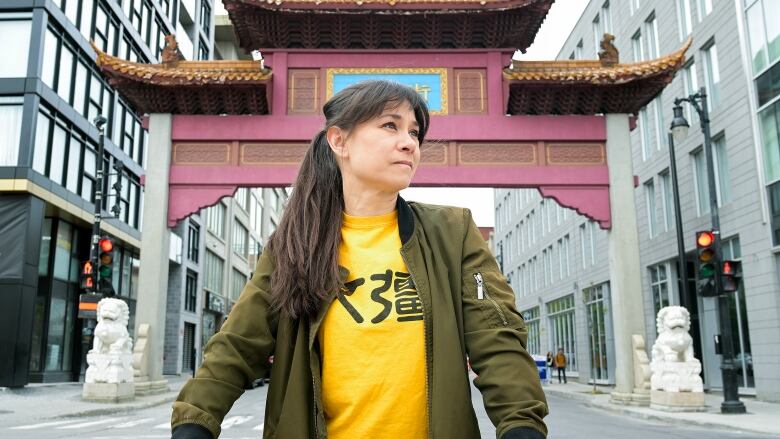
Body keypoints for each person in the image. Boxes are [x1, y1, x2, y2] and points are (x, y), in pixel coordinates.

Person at [170, 80, 548, 439]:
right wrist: (195, 421)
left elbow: (497, 339)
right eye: (390, 126)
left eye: (414, 132)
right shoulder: (294, 244)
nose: (409, 144)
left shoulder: (453, 233)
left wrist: (521, 425)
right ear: (339, 140)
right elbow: (237, 345)